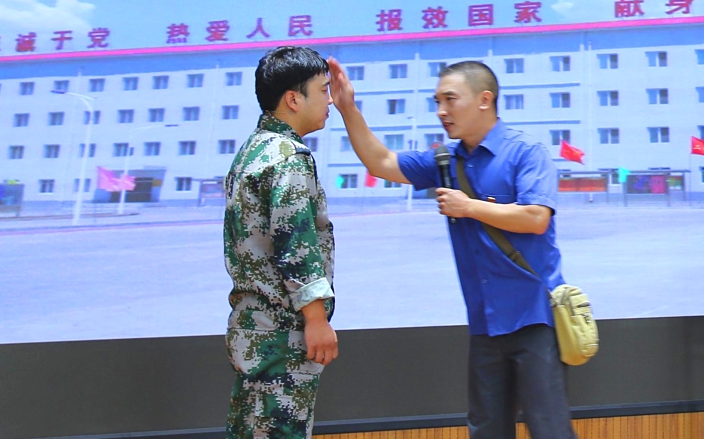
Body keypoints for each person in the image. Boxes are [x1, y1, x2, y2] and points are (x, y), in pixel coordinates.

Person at [328, 58, 575, 439]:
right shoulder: (446, 161)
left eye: (450, 99)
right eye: (437, 102)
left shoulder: (526, 151)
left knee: (549, 430)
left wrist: (468, 207)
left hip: (535, 320)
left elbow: (536, 217)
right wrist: (347, 107)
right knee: (487, 431)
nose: (441, 111)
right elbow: (381, 162)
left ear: (484, 100)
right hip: (485, 324)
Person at [224, 46, 339, 439]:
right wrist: (316, 318)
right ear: (293, 99)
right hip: (281, 332)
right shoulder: (288, 156)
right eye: (322, 90)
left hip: (253, 329)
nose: (329, 100)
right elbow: (295, 240)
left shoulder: (251, 150)